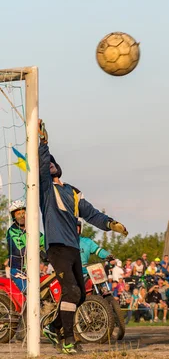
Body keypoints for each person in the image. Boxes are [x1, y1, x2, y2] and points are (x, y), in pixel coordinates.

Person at [38, 119, 128, 354]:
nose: (49, 166)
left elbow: (91, 213)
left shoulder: (72, 192)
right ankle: (68, 341)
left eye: (52, 164)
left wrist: (110, 224)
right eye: (47, 164)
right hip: (57, 248)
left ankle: (53, 326)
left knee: (79, 296)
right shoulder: (46, 190)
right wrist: (43, 143)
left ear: (59, 168)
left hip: (73, 249)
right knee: (72, 292)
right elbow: (40, 165)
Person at [6, 199, 45, 292]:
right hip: (18, 269)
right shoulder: (12, 231)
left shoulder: (33, 230)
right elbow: (19, 250)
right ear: (13, 216)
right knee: (29, 292)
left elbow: (45, 242)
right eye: (18, 214)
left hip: (34, 268)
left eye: (24, 212)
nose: (22, 216)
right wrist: (39, 251)